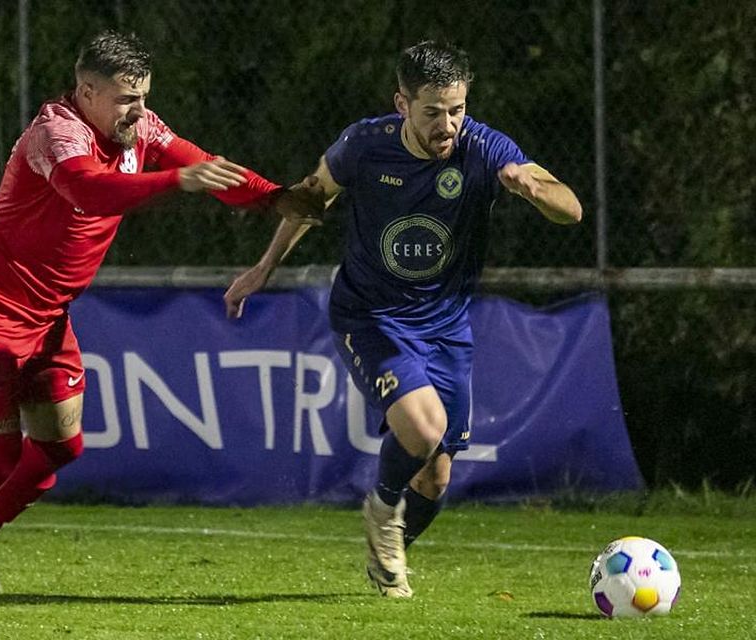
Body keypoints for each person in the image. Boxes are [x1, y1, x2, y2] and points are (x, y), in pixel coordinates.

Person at [0, 30, 321, 605]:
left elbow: (206, 166)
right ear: (86, 90)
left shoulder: (138, 129)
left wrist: (275, 197)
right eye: (127, 98)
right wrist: (177, 180)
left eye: (144, 95)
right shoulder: (56, 133)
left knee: (58, 451)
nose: (140, 110)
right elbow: (88, 191)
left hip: (49, 318)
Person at [224, 40, 582, 598]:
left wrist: (535, 189)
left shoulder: (485, 148)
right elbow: (311, 199)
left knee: (437, 474)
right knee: (422, 426)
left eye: (457, 109)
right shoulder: (364, 145)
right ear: (403, 104)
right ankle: (382, 508)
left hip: (446, 325)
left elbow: (572, 209)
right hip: (369, 313)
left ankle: (387, 554)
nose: (448, 125)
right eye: (433, 111)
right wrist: (264, 266)